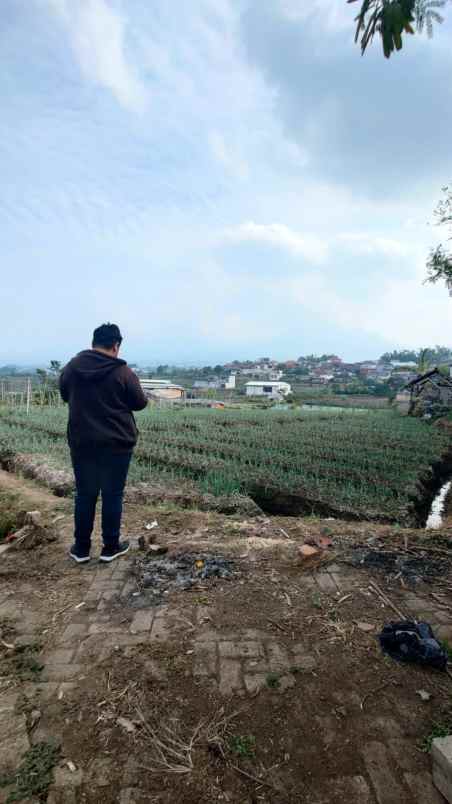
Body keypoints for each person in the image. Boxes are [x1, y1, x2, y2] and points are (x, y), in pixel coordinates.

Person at [59, 323, 148, 563]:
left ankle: (81, 549)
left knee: (85, 495)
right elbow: (140, 403)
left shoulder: (71, 368)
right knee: (112, 494)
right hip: (116, 444)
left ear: (93, 343)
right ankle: (110, 547)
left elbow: (65, 394)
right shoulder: (123, 372)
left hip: (82, 443)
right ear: (116, 346)